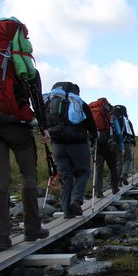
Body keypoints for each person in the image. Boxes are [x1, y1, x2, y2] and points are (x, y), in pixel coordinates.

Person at [0, 70, 50, 251]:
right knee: (28, 175)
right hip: (19, 127)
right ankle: (32, 228)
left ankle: (0, 236)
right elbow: (37, 98)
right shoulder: (25, 66)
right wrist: (43, 127)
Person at [46, 82, 97, 218]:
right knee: (83, 172)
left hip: (58, 145)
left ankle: (66, 212)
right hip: (78, 144)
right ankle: (76, 201)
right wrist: (93, 136)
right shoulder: (79, 103)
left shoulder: (51, 102)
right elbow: (91, 125)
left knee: (65, 177)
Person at [91, 98, 120, 198]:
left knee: (99, 168)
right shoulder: (109, 111)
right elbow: (117, 130)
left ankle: (98, 192)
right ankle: (115, 189)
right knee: (113, 167)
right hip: (107, 140)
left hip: (96, 140)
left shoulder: (93, 110)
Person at [113, 105, 136, 185]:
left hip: (115, 143)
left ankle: (117, 181)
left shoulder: (112, 119)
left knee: (118, 162)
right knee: (128, 159)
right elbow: (131, 132)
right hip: (126, 142)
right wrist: (134, 141)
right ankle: (124, 175)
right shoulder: (126, 120)